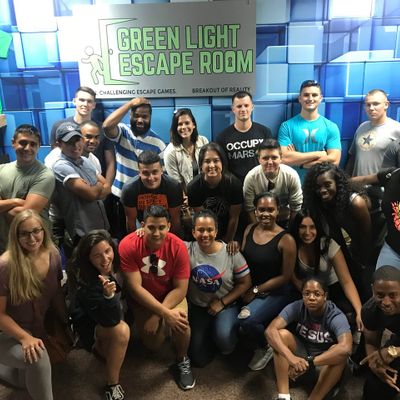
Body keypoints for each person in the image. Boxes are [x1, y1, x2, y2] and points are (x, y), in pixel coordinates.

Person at [119, 205, 195, 390]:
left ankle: (182, 359)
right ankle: (159, 327)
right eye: (151, 227)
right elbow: (135, 288)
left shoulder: (178, 246)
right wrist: (163, 313)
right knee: (153, 344)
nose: (156, 233)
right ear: (142, 225)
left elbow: (180, 289)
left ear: (169, 226)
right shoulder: (128, 245)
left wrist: (159, 314)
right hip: (143, 300)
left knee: (181, 323)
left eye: (161, 227)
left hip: (170, 295)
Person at [0, 209, 69, 400]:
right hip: (7, 332)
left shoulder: (53, 254)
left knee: (25, 381)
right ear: (15, 236)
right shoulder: (5, 266)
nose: (32, 238)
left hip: (37, 327)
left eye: (36, 231)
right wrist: (24, 337)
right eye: (24, 233)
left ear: (43, 230)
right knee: (37, 358)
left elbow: (56, 294)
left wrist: (66, 322)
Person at [266, 277, 352, 400]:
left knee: (340, 352)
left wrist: (310, 363)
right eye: (307, 294)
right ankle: (283, 396)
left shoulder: (335, 315)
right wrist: (291, 359)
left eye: (317, 294)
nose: (311, 298)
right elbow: (270, 331)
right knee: (281, 335)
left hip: (323, 365)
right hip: (301, 358)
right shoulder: (297, 306)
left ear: (325, 296)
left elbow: (346, 348)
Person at [68, 229, 130, 400]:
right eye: (97, 256)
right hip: (96, 325)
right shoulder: (86, 282)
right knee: (122, 331)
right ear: (88, 258)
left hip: (117, 312)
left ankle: (110, 350)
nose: (105, 259)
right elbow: (112, 320)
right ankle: (112, 385)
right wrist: (109, 297)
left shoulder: (118, 259)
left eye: (107, 251)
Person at [239, 192, 297, 371]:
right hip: (250, 287)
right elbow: (242, 258)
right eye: (261, 209)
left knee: (247, 321)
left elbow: (285, 276)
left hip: (276, 291)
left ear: (278, 211)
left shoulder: (286, 239)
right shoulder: (249, 229)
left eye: (270, 210)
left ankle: (266, 347)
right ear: (255, 211)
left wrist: (256, 290)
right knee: (235, 324)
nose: (266, 214)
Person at [186, 209, 251, 367]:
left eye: (210, 230)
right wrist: (141, 231)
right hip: (198, 306)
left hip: (226, 305)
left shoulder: (230, 252)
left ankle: (223, 332)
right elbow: (163, 238)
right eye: (200, 230)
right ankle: (208, 332)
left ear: (216, 231)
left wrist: (222, 302)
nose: (205, 234)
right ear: (193, 232)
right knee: (197, 358)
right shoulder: (187, 249)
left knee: (225, 343)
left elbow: (245, 282)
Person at [303, 162, 372, 299]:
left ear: (337, 183)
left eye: (327, 184)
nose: (322, 190)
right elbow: (336, 235)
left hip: (369, 245)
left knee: (365, 283)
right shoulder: (323, 202)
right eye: (318, 187)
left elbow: (367, 237)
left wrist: (361, 261)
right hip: (349, 246)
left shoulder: (356, 203)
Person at [290, 209, 363, 331]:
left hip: (332, 287)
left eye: (312, 227)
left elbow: (346, 282)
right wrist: (309, 294)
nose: (307, 232)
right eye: (302, 227)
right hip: (305, 288)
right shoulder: (293, 244)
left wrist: (359, 310)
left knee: (347, 315)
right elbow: (292, 276)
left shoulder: (328, 244)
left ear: (318, 228)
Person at [103, 97, 166, 238]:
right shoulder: (123, 132)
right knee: (122, 238)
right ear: (130, 115)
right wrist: (131, 103)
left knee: (144, 240)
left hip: (145, 202)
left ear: (150, 117)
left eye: (144, 116)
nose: (140, 120)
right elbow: (107, 126)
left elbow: (161, 176)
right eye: (136, 115)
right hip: (119, 198)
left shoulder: (159, 144)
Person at [51, 123, 110, 257]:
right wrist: (97, 186)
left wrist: (95, 188)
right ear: (59, 144)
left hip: (100, 226)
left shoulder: (85, 160)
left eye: (77, 140)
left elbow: (107, 187)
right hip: (82, 231)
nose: (75, 145)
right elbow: (91, 194)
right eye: (69, 142)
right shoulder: (61, 166)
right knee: (82, 267)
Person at [0, 124, 55, 253]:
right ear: (13, 143)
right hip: (5, 245)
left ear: (39, 146)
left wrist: (3, 205)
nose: (27, 148)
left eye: (33, 144)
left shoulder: (45, 175)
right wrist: (15, 201)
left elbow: (24, 215)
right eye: (23, 143)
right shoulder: (1, 169)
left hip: (34, 246)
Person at [49, 86, 115, 187]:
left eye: (89, 101)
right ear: (74, 101)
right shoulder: (59, 126)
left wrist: (107, 187)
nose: (85, 104)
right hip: (68, 183)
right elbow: (56, 156)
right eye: (82, 100)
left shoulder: (102, 129)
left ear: (94, 105)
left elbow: (110, 162)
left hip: (97, 181)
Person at [278, 79, 341, 182]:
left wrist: (301, 163)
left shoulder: (331, 127)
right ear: (300, 98)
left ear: (320, 98)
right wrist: (319, 154)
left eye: (314, 95)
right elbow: (284, 158)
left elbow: (334, 161)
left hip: (320, 186)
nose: (310, 98)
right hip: (294, 185)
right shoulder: (286, 126)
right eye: (306, 95)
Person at [187, 142, 243, 249]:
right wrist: (212, 244)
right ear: (201, 165)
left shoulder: (234, 184)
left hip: (231, 230)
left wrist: (227, 241)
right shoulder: (193, 187)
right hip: (206, 232)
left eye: (216, 161)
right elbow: (202, 219)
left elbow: (234, 217)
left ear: (222, 163)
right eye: (207, 161)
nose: (212, 165)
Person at [360, 265, 400, 400]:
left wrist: (394, 351)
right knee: (374, 385)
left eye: (393, 295)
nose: (386, 302)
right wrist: (376, 365)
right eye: (380, 295)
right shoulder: (369, 310)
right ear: (373, 290)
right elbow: (371, 342)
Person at [120, 150, 183, 235]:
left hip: (166, 222)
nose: (151, 178)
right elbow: (131, 222)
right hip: (141, 224)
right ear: (139, 173)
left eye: (155, 172)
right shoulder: (129, 189)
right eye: (145, 173)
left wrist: (170, 240)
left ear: (161, 170)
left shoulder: (173, 187)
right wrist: (134, 240)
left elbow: (175, 220)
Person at [243, 139, 302, 227]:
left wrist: (290, 229)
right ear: (259, 159)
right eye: (265, 158)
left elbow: (296, 207)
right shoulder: (251, 178)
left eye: (274, 158)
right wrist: (257, 229)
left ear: (281, 158)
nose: (270, 162)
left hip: (285, 220)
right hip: (259, 221)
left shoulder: (291, 176)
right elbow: (250, 208)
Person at [216, 91, 272, 182]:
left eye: (246, 105)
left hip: (261, 184)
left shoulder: (265, 132)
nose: (243, 109)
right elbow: (222, 168)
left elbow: (271, 160)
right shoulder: (222, 138)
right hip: (234, 186)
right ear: (233, 109)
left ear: (252, 107)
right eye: (239, 106)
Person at [351, 167, 400, 269]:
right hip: (392, 248)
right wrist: (339, 181)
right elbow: (364, 180)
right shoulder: (392, 174)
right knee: (380, 277)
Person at [346, 89, 400, 177]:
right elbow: (352, 158)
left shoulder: (397, 129)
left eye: (376, 104)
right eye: (368, 104)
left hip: (382, 184)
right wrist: (346, 180)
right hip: (357, 183)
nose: (371, 108)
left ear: (386, 105)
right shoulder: (362, 127)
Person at [164, 108, 209, 189]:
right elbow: (177, 184)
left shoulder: (203, 141)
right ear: (175, 128)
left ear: (193, 125)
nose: (184, 127)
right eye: (180, 124)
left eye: (187, 123)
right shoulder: (170, 152)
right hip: (185, 193)